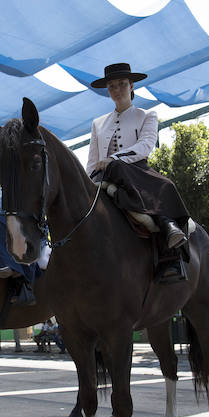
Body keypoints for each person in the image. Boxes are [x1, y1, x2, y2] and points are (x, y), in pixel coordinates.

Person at [86, 62, 190, 283]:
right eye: (112, 86)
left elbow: (145, 146)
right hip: (103, 176)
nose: (117, 90)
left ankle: (169, 247)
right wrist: (85, 184)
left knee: (166, 186)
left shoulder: (147, 116)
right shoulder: (97, 123)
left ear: (132, 85)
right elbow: (92, 161)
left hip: (136, 172)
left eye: (122, 84)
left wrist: (114, 159)